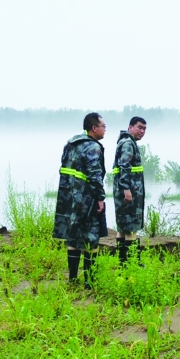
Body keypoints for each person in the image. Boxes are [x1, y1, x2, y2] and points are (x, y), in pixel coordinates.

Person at [53, 113, 108, 289]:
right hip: (86, 199)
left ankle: (72, 278)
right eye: (103, 126)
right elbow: (95, 176)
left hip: (69, 198)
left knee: (73, 237)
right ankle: (89, 282)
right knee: (91, 237)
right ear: (94, 128)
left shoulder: (71, 143)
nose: (105, 129)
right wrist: (100, 198)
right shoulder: (92, 147)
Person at [112, 117, 147, 265]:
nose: (142, 131)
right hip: (129, 193)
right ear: (130, 127)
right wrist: (127, 189)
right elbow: (124, 167)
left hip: (124, 191)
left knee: (122, 227)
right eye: (139, 127)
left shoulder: (126, 142)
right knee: (131, 228)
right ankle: (132, 263)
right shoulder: (128, 144)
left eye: (144, 129)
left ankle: (123, 262)